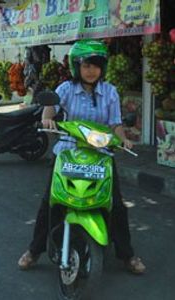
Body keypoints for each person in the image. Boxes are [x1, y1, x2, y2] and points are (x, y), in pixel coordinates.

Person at [17, 40, 146, 274]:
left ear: (102, 68)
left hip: (100, 156)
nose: (91, 71)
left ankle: (127, 255)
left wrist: (123, 138)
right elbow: (51, 109)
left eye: (96, 66)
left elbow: (115, 123)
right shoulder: (65, 89)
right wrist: (48, 118)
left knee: (116, 205)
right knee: (51, 203)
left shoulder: (110, 92)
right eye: (86, 65)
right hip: (68, 153)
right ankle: (34, 251)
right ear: (77, 67)